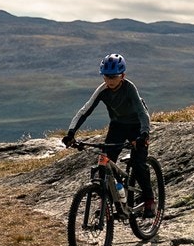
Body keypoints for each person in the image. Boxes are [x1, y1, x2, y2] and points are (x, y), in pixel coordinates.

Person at [62, 53, 155, 216]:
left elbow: (142, 113)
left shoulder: (129, 88)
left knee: (139, 163)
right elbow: (85, 111)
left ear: (122, 76)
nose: (110, 81)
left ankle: (149, 201)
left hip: (136, 126)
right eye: (106, 77)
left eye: (114, 77)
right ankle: (106, 204)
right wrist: (71, 133)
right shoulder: (103, 90)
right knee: (104, 163)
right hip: (117, 126)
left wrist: (144, 134)